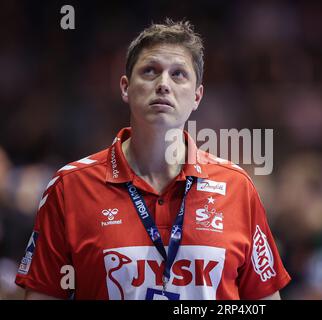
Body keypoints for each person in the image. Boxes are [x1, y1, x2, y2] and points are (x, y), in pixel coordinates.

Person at [15, 19, 291, 300]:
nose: (163, 85)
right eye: (150, 71)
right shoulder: (69, 187)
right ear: (125, 87)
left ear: (197, 96)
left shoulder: (237, 188)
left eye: (178, 74)